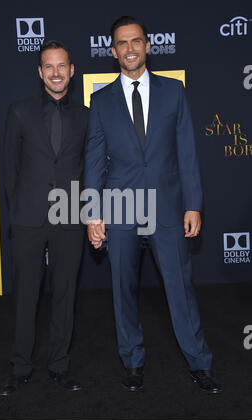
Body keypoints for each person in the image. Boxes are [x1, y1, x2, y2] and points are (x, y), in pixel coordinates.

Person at [85, 16, 222, 393]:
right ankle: (132, 361)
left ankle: (200, 363)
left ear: (147, 45)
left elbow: (187, 152)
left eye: (135, 41)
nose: (129, 49)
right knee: (123, 288)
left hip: (167, 205)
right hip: (121, 206)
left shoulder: (173, 91)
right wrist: (93, 213)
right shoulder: (100, 100)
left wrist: (193, 204)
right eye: (121, 43)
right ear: (113, 52)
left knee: (181, 287)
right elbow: (94, 161)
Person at [0, 40, 88, 396]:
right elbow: (10, 169)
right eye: (48, 67)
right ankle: (20, 366)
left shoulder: (86, 115)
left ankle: (60, 365)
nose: (55, 72)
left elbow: (90, 168)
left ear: (71, 70)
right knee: (25, 296)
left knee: (65, 296)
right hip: (28, 218)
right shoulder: (18, 111)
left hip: (69, 216)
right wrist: (18, 211)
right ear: (40, 72)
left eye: (61, 66)